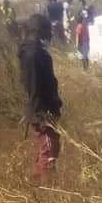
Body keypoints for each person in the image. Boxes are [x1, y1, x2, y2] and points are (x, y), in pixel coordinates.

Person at [18, 14, 63, 178]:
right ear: (40, 30)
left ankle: (36, 184)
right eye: (47, 30)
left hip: (43, 109)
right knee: (49, 152)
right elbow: (33, 86)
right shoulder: (33, 54)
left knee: (49, 148)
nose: (49, 34)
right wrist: (41, 114)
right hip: (41, 111)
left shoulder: (34, 51)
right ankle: (47, 193)